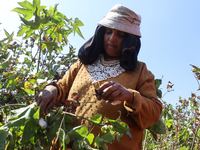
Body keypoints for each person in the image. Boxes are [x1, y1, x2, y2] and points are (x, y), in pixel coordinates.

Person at [35, 4, 162, 150]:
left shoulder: (140, 72)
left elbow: (154, 113)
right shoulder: (83, 65)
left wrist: (129, 96)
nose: (112, 38)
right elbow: (62, 88)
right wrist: (52, 88)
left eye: (120, 35)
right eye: (108, 32)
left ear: (130, 40)